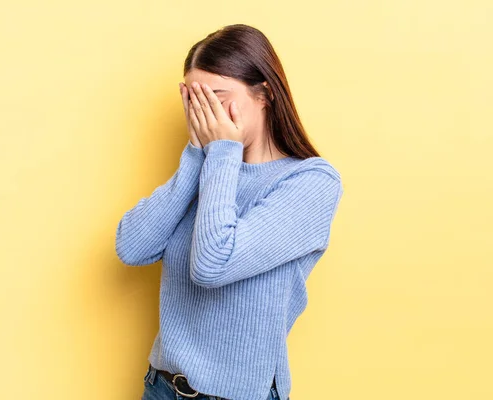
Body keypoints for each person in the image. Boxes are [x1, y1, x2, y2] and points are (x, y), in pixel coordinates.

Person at [116, 24, 344, 400]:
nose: (204, 112)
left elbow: (212, 265)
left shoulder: (311, 182)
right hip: (161, 386)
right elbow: (132, 247)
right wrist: (195, 155)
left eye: (216, 97)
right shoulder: (209, 166)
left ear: (265, 94)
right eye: (193, 99)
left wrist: (222, 152)